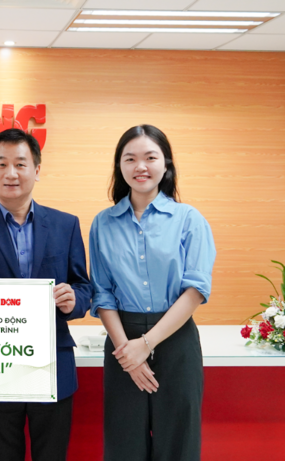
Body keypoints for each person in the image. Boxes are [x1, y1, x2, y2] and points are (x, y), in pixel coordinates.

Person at [0, 128, 91, 461]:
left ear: (37, 170)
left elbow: (85, 287)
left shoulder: (65, 225)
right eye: (1, 164)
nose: (10, 173)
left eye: (20, 163)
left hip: (53, 366)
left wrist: (74, 300)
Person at [90, 125, 216, 461]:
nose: (139, 166)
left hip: (175, 339)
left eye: (150, 157)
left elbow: (195, 290)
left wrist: (146, 344)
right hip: (122, 342)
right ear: (119, 166)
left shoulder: (189, 219)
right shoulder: (103, 223)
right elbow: (102, 294)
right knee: (123, 444)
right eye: (129, 158)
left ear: (166, 164)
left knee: (178, 441)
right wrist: (128, 354)